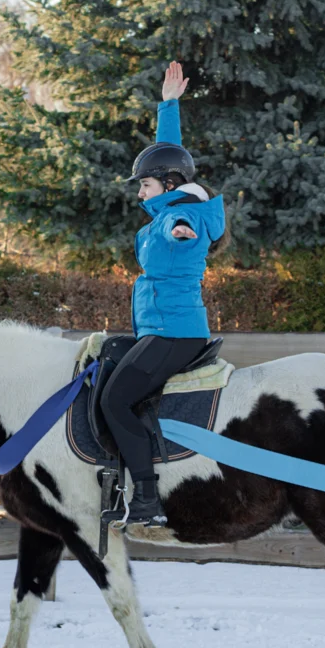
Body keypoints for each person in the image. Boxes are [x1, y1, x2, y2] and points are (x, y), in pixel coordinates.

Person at [102, 61, 229, 527]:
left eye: (147, 185)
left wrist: (180, 232)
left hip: (175, 332)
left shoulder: (184, 217)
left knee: (115, 402)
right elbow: (168, 156)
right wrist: (168, 104)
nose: (141, 194)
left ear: (170, 187)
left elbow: (187, 229)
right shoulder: (167, 207)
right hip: (163, 327)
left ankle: (147, 500)